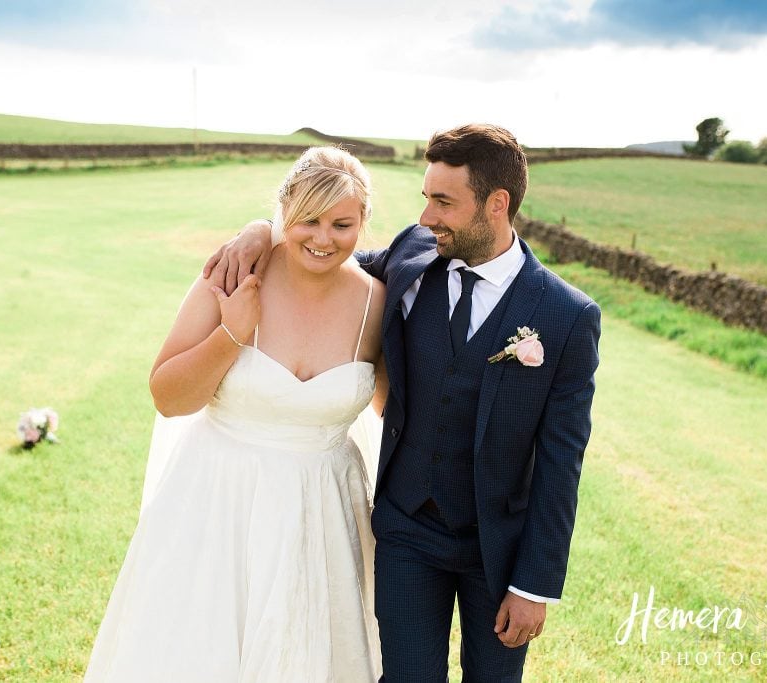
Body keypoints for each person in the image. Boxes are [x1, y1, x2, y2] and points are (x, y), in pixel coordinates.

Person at [205, 124, 601, 681]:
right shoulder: (412, 257)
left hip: (500, 552)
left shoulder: (567, 316)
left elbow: (563, 461)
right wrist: (260, 232)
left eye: (443, 201)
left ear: (497, 204)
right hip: (407, 533)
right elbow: (323, 250)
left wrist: (533, 585)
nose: (426, 217)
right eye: (425, 198)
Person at [84, 146, 388, 682]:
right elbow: (168, 397)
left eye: (341, 223)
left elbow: (394, 407)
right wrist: (231, 334)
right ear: (282, 213)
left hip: (324, 512)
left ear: (363, 223)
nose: (322, 238)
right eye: (308, 220)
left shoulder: (378, 303)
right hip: (218, 501)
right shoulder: (233, 272)